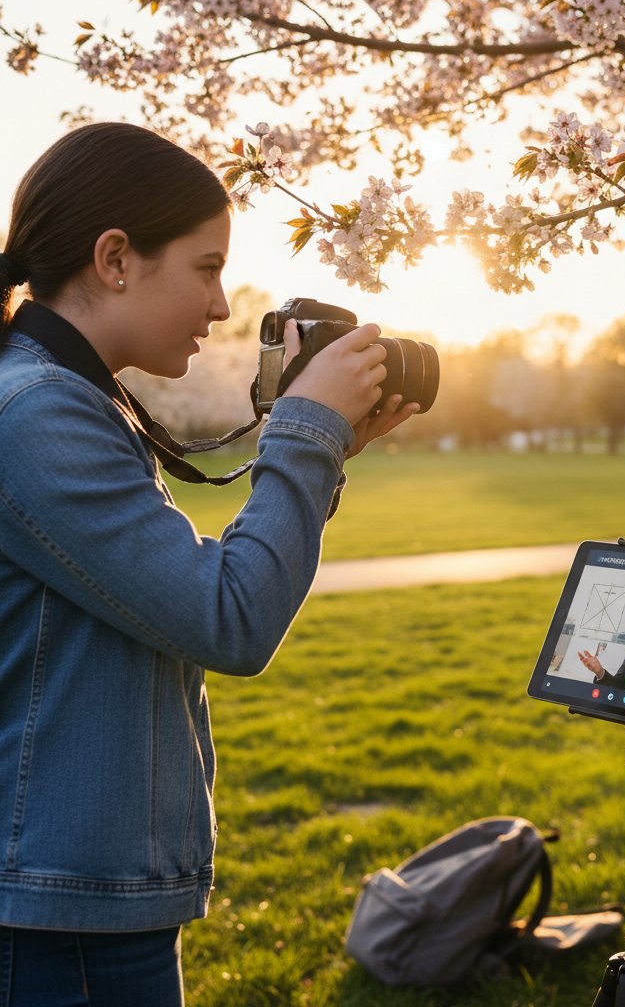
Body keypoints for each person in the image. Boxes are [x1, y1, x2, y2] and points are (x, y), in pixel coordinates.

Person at [0, 122, 417, 1006]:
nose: (223, 305)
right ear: (115, 259)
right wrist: (306, 433)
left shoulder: (53, 395)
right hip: (61, 914)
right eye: (205, 267)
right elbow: (230, 618)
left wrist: (325, 451)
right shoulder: (36, 414)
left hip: (70, 889)